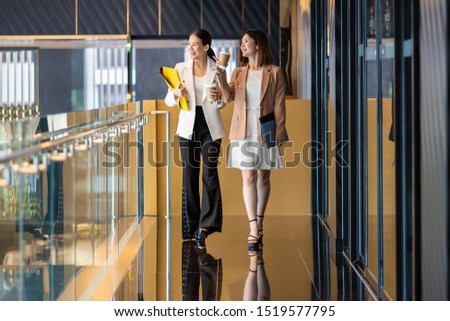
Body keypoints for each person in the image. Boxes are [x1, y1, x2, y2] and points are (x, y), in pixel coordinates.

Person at [216, 29, 287, 254]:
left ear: (258, 45)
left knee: (263, 176)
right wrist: (220, 74)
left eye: (246, 41)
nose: (242, 45)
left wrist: (279, 132)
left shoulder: (274, 72)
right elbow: (227, 97)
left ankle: (260, 220)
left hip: (265, 128)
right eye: (241, 42)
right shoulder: (238, 72)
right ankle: (253, 228)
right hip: (242, 129)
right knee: (248, 175)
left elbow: (279, 104)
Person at [165, 29, 225, 250]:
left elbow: (223, 102)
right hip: (187, 127)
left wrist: (218, 98)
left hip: (210, 126)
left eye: (195, 44)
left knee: (209, 174)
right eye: (189, 44)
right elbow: (168, 100)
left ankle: (205, 226)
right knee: (189, 175)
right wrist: (176, 95)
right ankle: (192, 226)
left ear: (206, 47)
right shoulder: (180, 69)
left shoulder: (216, 69)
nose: (191, 48)